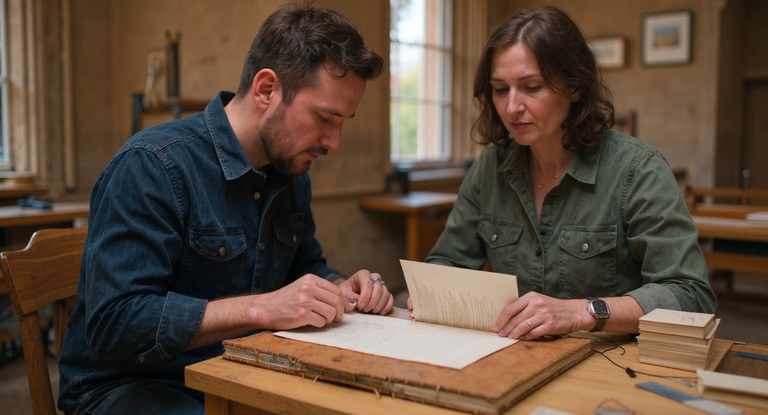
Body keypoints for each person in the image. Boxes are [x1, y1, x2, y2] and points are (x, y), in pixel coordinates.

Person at [58, 5, 392, 415]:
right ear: (267, 90)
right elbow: (116, 324)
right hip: (126, 387)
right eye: (324, 117)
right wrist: (262, 307)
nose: (334, 141)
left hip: (234, 372)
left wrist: (340, 287)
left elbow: (305, 265)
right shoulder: (153, 165)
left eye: (344, 121)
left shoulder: (291, 172)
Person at [413, 6, 716, 341]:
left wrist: (581, 312)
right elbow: (447, 264)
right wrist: (427, 291)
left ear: (575, 87)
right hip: (513, 359)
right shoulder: (491, 167)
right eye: (500, 89)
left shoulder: (637, 169)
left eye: (531, 87)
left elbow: (692, 297)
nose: (512, 107)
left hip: (608, 365)